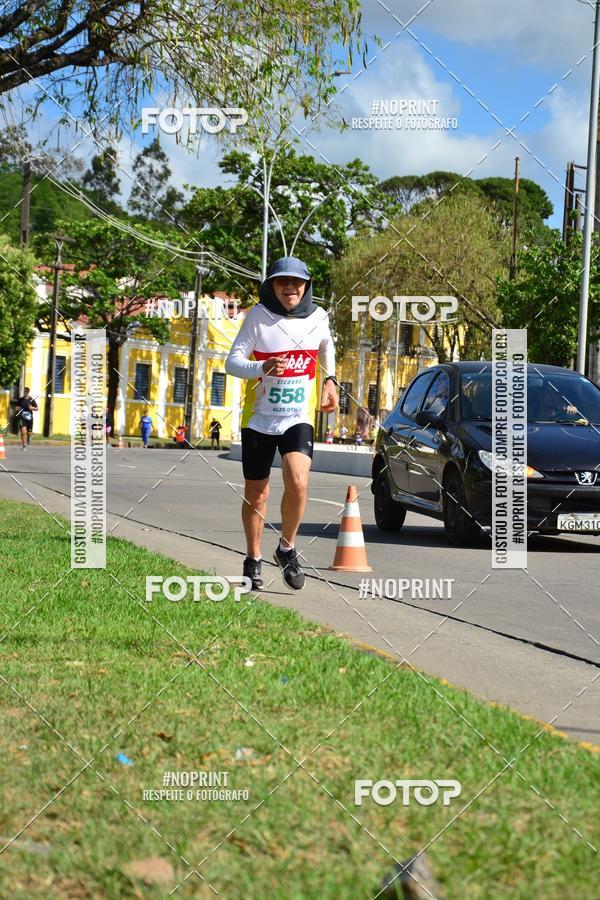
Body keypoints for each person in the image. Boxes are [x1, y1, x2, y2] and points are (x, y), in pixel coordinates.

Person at [225, 256, 338, 591]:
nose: (290, 287)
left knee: (298, 480)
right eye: (282, 281)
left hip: (297, 415)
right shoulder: (258, 317)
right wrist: (262, 368)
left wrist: (330, 379)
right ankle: (253, 558)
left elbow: (326, 346)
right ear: (271, 285)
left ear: (306, 286)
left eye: (297, 282)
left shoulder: (318, 316)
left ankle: (287, 548)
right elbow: (232, 362)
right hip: (259, 418)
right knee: (257, 493)